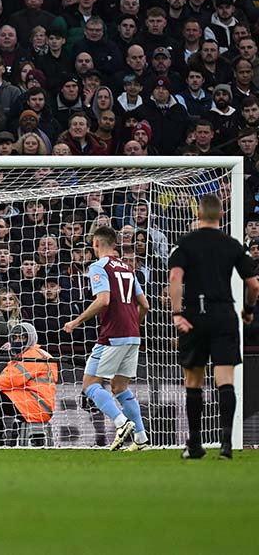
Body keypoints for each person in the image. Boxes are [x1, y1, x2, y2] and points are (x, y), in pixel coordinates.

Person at [168, 194, 259, 459]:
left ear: (198, 214)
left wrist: (176, 313)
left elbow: (175, 277)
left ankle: (195, 444)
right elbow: (253, 284)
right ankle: (227, 445)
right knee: (225, 380)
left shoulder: (185, 243)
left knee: (194, 380)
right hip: (223, 314)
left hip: (195, 315)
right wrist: (249, 310)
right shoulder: (232, 245)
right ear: (221, 215)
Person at [63, 225, 150, 450]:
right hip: (132, 335)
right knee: (120, 388)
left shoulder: (98, 266)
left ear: (95, 244)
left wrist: (76, 322)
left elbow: (103, 300)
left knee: (90, 385)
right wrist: (131, 325)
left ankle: (121, 424)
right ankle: (140, 438)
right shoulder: (128, 269)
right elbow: (145, 305)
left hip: (112, 335)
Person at [0, 322, 57, 446]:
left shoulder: (32, 356)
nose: (18, 340)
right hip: (36, 402)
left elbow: (10, 379)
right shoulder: (33, 354)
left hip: (36, 404)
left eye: (22, 337)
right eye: (15, 337)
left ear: (31, 338)